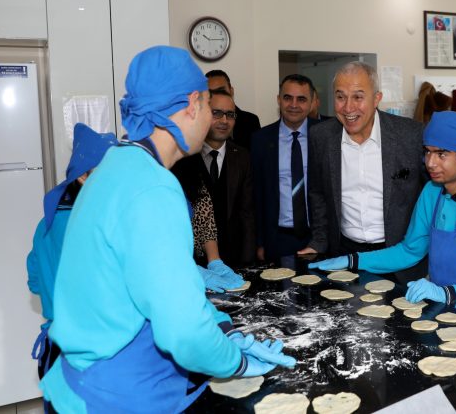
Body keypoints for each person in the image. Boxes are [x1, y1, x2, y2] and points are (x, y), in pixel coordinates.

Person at [39, 46, 295, 413]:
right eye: (209, 105)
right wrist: (232, 361)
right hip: (120, 395)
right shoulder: (153, 187)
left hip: (81, 384)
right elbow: (183, 331)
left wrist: (224, 331)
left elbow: (151, 287)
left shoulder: (114, 166)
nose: (211, 118)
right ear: (193, 103)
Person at [309, 112, 456, 326]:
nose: (430, 163)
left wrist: (445, 293)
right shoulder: (431, 192)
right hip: (440, 312)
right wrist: (354, 260)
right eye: (427, 152)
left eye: (441, 154)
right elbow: (409, 251)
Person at [297, 61, 427, 284]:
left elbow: (430, 193)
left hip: (399, 257)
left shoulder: (410, 134)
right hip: (344, 254)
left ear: (377, 99)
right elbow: (317, 193)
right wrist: (319, 240)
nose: (348, 108)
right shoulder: (321, 136)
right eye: (340, 97)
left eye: (358, 97)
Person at [27, 124, 118, 383]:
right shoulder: (95, 224)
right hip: (90, 357)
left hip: (55, 351)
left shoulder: (46, 224)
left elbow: (34, 282)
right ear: (83, 177)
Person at [172, 89, 257, 269]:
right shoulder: (182, 157)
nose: (224, 121)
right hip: (193, 260)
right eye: (216, 113)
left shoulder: (243, 157)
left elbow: (247, 213)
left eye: (230, 115)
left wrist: (249, 261)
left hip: (234, 258)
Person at [252, 74, 318, 262]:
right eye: (288, 97)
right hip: (277, 238)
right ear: (278, 100)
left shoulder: (325, 135)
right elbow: (256, 195)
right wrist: (259, 242)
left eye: (302, 99)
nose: (294, 105)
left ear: (312, 102)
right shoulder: (260, 139)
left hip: (317, 237)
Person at [205, 69, 261, 150]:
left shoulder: (251, 121)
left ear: (231, 91)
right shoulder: (199, 122)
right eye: (211, 93)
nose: (217, 96)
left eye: (221, 91)